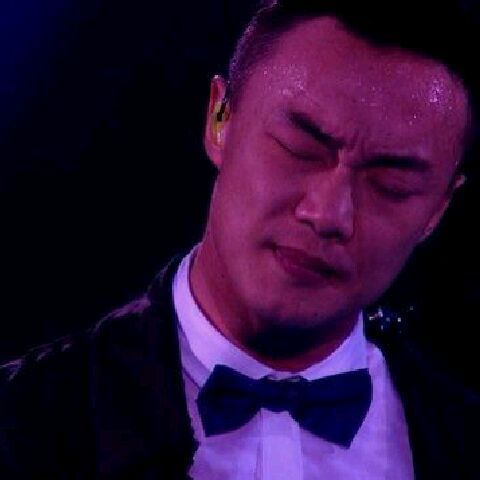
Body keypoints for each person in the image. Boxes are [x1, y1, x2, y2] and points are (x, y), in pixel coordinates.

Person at [1, 0, 479, 478]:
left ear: (438, 209)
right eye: (299, 148)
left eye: (391, 185)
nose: (327, 214)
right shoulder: (17, 422)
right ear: (220, 119)